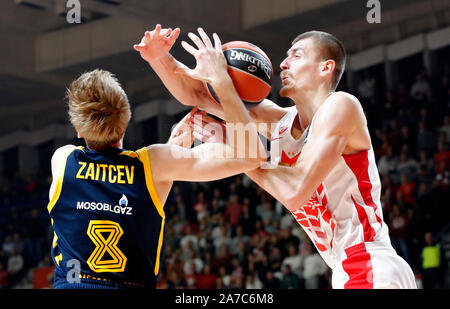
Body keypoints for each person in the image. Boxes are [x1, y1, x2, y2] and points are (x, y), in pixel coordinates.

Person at [140, 24, 417, 289]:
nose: (283, 63)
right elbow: (199, 93)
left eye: (296, 55)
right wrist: (160, 58)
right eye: (286, 56)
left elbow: (295, 190)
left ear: (325, 68)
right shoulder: (280, 122)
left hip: (368, 261)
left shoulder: (341, 105)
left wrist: (240, 154)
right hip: (348, 267)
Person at [48, 29, 267, 289]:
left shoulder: (63, 160)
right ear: (127, 117)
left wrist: (169, 150)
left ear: (78, 130)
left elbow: (108, 178)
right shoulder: (156, 163)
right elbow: (252, 155)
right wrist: (221, 82)